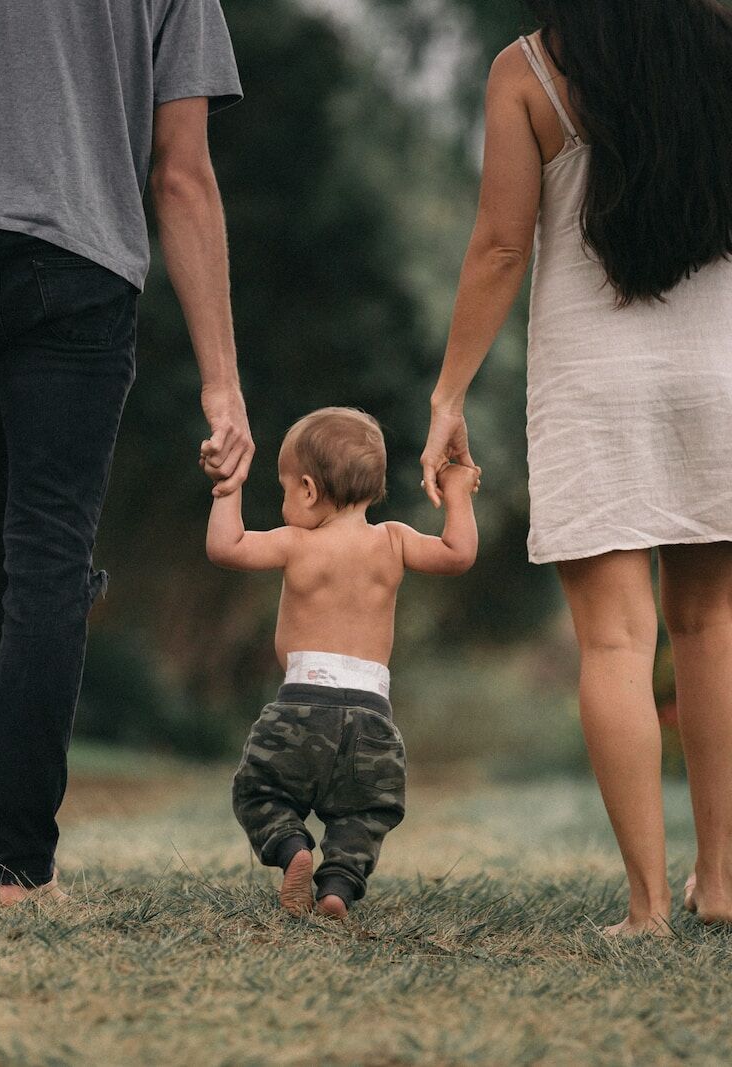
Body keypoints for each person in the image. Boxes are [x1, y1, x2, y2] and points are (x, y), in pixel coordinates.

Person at [0, 0, 254, 905]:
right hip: (77, 270)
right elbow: (182, 175)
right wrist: (222, 381)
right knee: (46, 557)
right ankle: (20, 868)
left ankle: (7, 839)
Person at [421, 0, 732, 936]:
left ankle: (646, 907)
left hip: (594, 380)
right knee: (712, 625)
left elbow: (502, 245)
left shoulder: (529, 70)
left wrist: (447, 396)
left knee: (613, 643)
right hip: (718, 369)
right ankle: (721, 883)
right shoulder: (722, 48)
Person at [205, 407, 480, 918]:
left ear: (308, 489)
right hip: (372, 718)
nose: (286, 500)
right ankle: (337, 888)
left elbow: (226, 547)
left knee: (259, 789)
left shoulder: (297, 543)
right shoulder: (394, 540)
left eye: (285, 489)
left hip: (300, 707)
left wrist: (228, 485)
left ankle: (293, 849)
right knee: (364, 813)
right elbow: (458, 554)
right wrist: (458, 491)